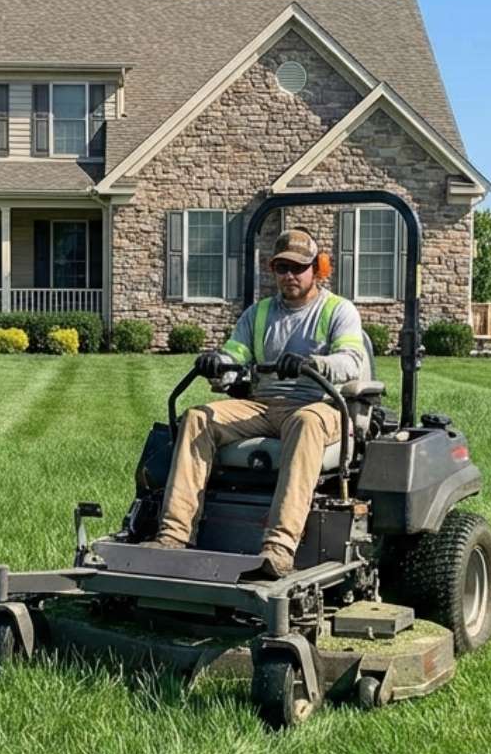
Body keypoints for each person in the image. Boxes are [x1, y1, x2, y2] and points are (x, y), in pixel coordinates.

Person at [149, 227, 371, 579]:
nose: (289, 275)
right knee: (197, 417)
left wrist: (313, 363)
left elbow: (351, 361)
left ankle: (279, 547)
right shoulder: (259, 313)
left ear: (318, 268)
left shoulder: (338, 310)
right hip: (264, 404)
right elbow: (234, 357)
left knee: (305, 422)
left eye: (298, 268)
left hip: (321, 404)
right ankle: (174, 536)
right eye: (282, 268)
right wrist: (217, 366)